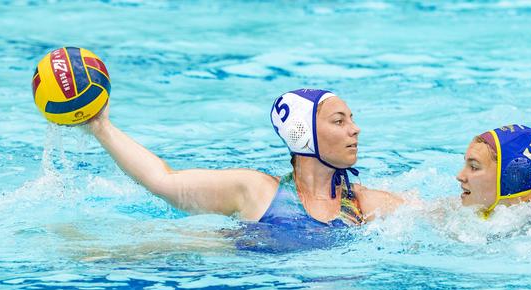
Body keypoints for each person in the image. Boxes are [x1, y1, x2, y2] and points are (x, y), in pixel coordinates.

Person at [84, 89, 403, 234]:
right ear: (303, 134)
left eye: (352, 119)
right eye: (338, 121)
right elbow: (164, 182)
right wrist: (101, 128)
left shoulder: (363, 204)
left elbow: (440, 219)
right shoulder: (256, 191)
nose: (354, 129)